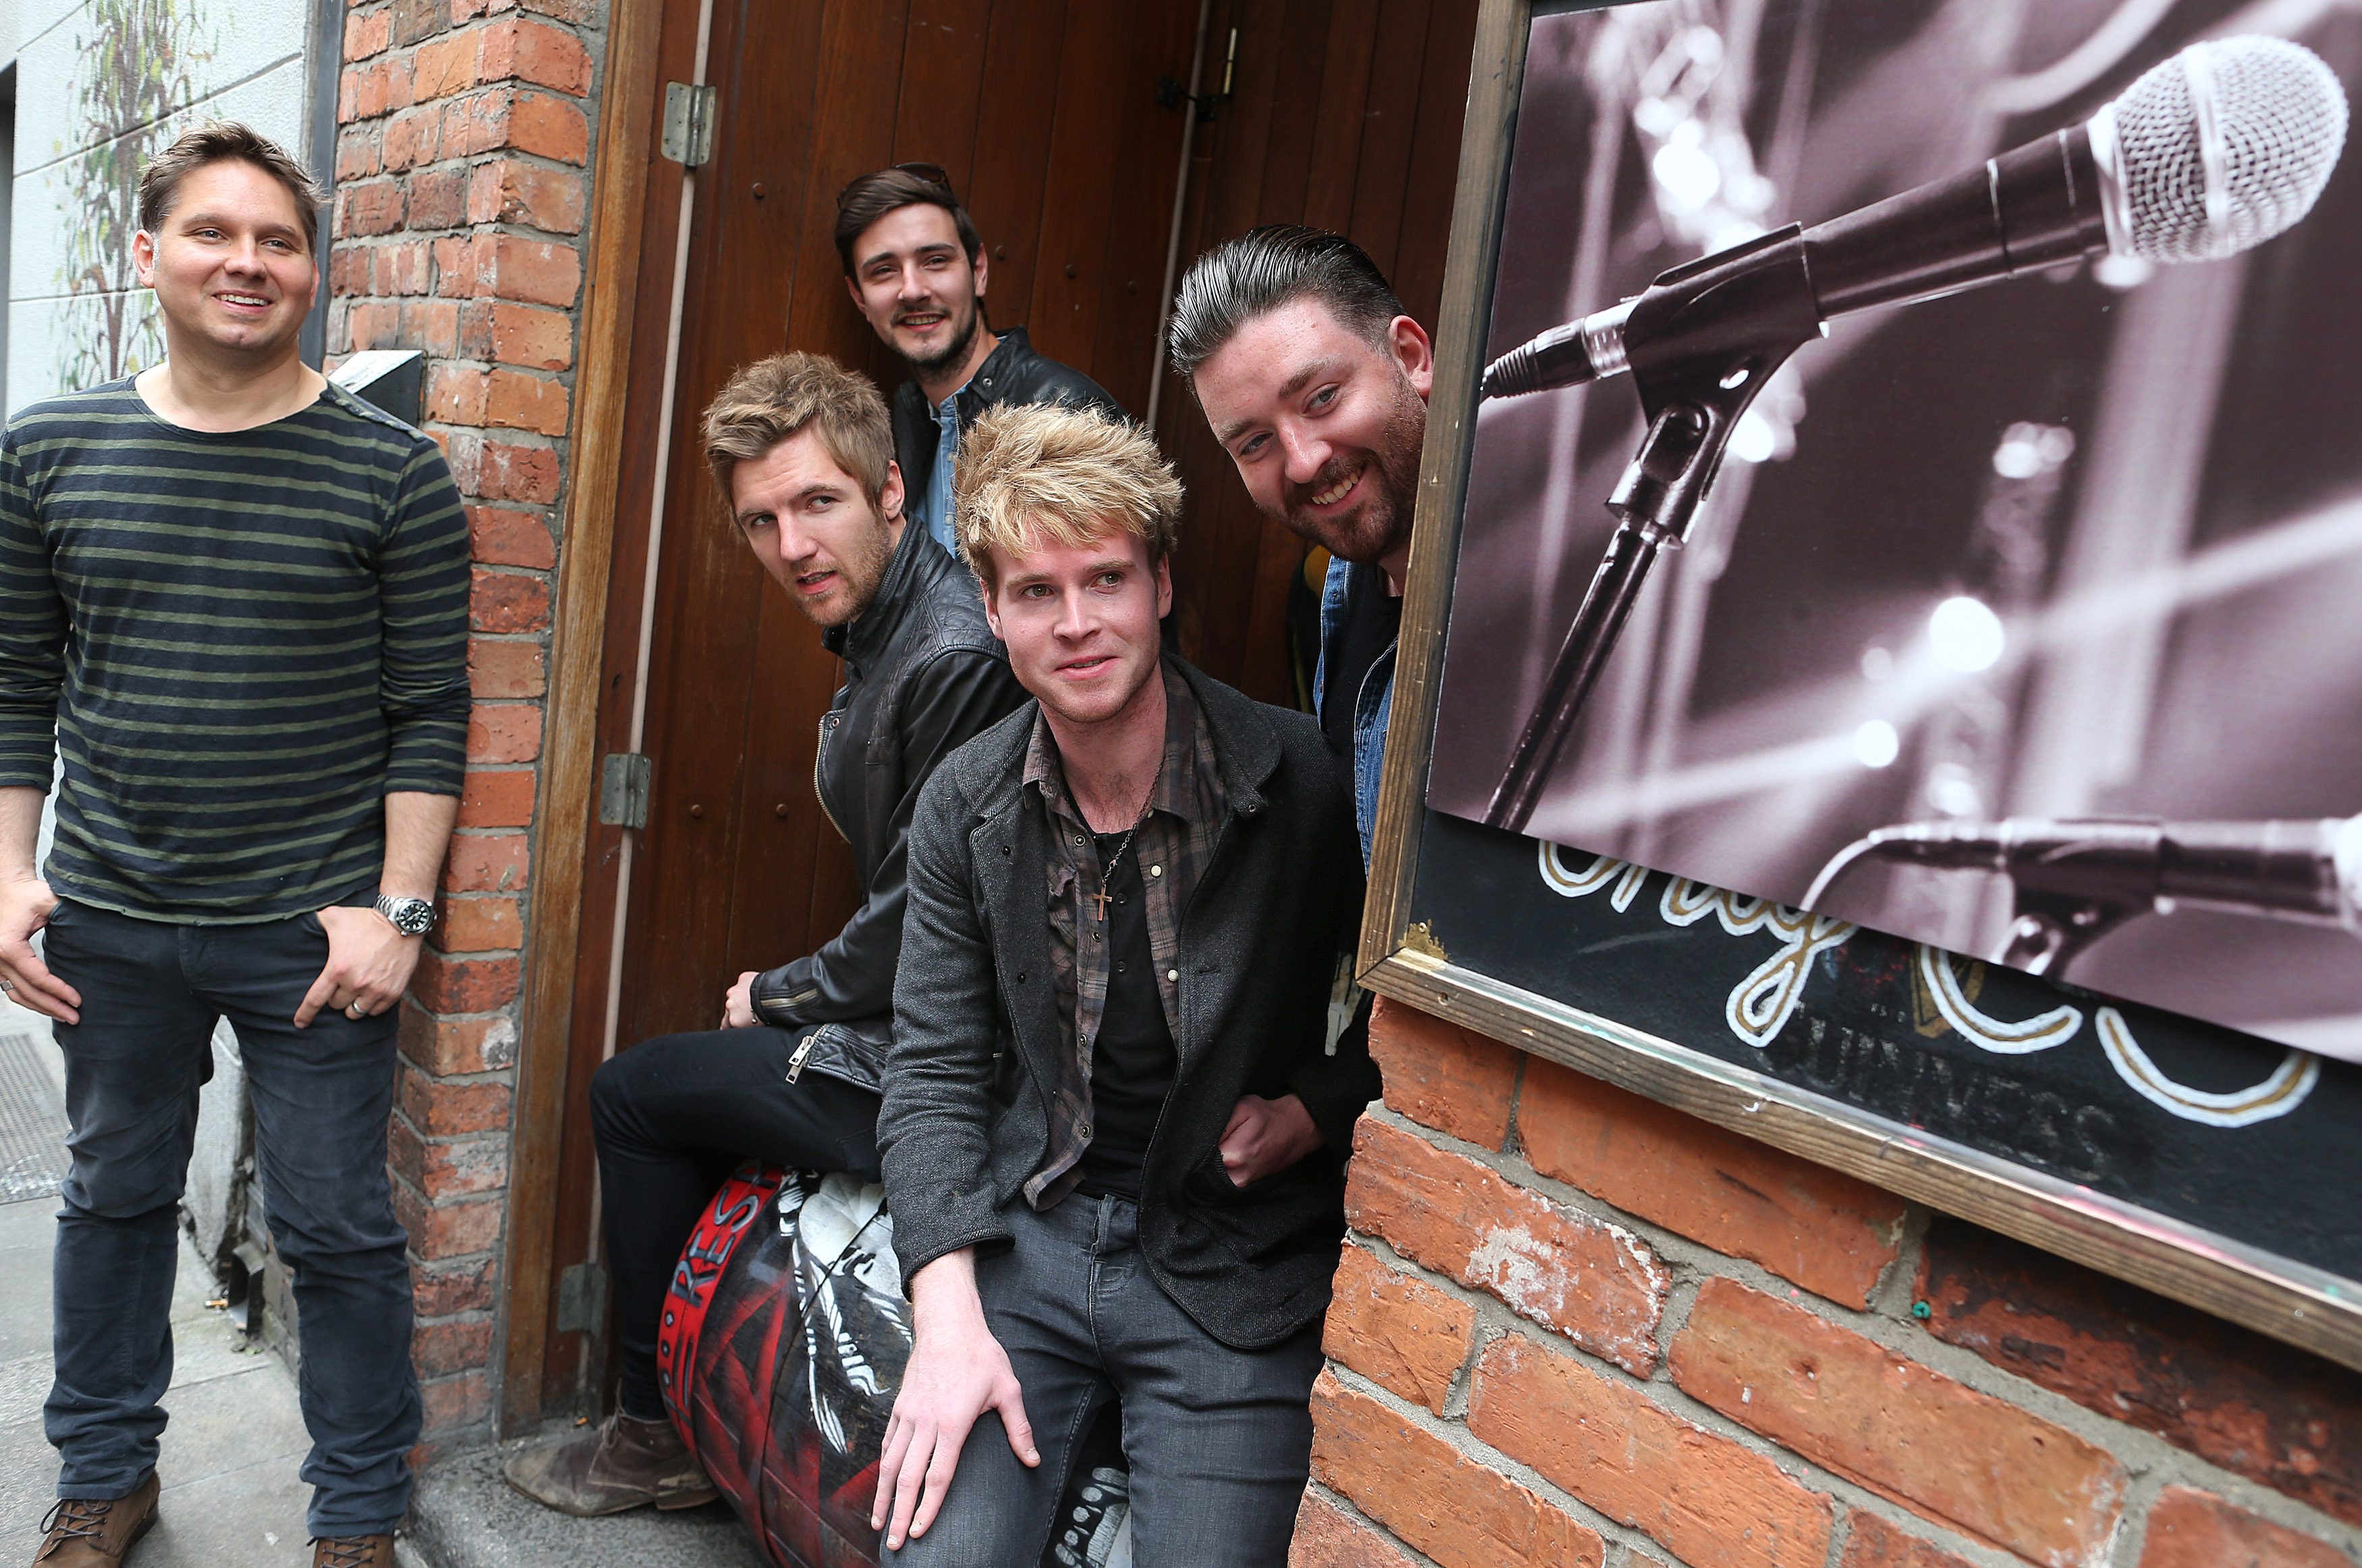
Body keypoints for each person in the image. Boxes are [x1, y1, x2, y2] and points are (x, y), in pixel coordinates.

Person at [0, 123, 470, 1568]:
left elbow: (427, 709)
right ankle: (105, 1476)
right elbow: (17, 687)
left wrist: (399, 908)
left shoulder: (392, 472)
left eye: (279, 240)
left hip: (313, 932)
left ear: (313, 272)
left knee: (337, 1226)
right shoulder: (47, 449)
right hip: (112, 919)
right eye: (214, 231)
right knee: (113, 1200)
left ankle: (357, 1516)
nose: (247, 262)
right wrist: (9, 875)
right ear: (149, 254)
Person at [502, 352, 1028, 1516]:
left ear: (891, 489)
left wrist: (781, 994)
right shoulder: (892, 627)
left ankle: (650, 1437)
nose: (793, 545)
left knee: (631, 1095)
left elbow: (921, 920)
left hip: (964, 1078)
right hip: (924, 1026)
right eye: (761, 520)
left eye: (818, 502)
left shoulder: (950, 653)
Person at [869, 403, 1379, 1561]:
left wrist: (1316, 1108)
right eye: (1036, 591)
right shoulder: (965, 800)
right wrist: (945, 1318)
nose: (1077, 622)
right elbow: (933, 1069)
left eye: (1106, 578)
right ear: (991, 610)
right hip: (1030, 1241)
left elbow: (1423, 1011)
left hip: (1230, 1260)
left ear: (1161, 583)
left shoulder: (1299, 778)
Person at [1168, 225, 1435, 864]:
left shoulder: (1558, 563)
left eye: (1322, 398)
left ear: (1409, 356)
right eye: (1255, 443)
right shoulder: (1342, 586)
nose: (1304, 461)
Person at [835, 163, 1123, 557]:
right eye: (884, 271)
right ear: (859, 298)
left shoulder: (1062, 410)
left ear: (979, 270)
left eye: (935, 261)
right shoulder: (901, 425)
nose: (913, 290)